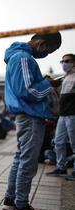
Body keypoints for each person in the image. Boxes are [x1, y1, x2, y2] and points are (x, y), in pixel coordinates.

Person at [2, 31, 62, 210]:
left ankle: (11, 199)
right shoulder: (23, 58)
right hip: (31, 115)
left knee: (20, 158)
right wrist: (49, 85)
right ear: (40, 43)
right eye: (48, 50)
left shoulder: (17, 56)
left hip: (25, 116)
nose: (46, 54)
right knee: (28, 161)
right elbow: (28, 90)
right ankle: (21, 206)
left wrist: (44, 82)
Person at [46, 53, 75, 181]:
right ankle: (61, 166)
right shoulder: (65, 77)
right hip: (63, 115)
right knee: (58, 141)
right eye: (62, 61)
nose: (64, 63)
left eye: (67, 61)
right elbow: (54, 84)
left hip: (72, 115)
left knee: (74, 143)